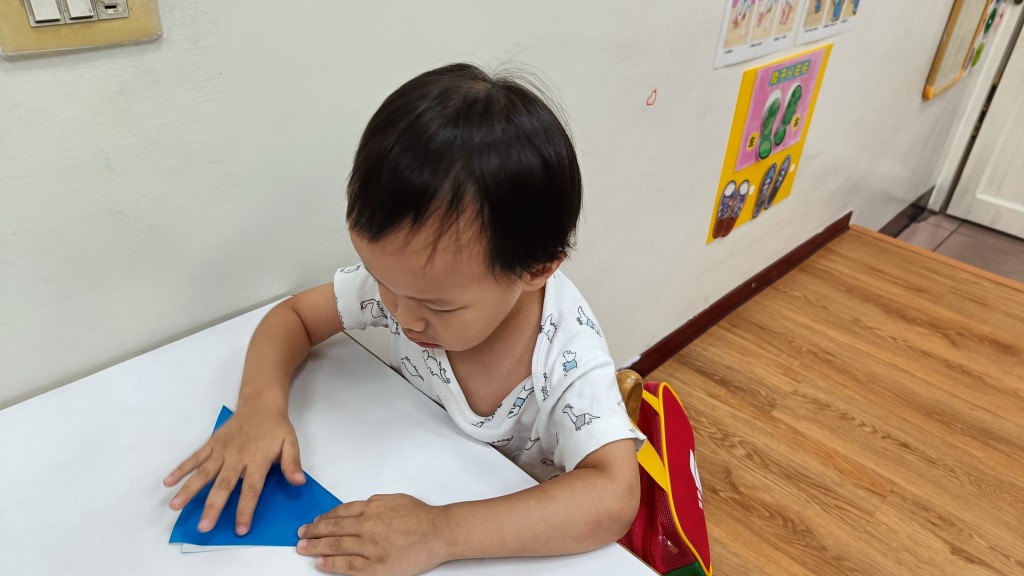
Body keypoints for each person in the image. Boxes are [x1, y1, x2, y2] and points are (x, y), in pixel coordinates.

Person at [163, 63, 644, 576]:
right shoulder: (407, 288)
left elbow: (612, 497)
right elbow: (294, 317)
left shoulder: (565, 355)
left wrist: (438, 532)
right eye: (382, 280)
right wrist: (260, 410)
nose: (404, 317)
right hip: (413, 464)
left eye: (439, 307)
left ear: (536, 270)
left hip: (516, 534)